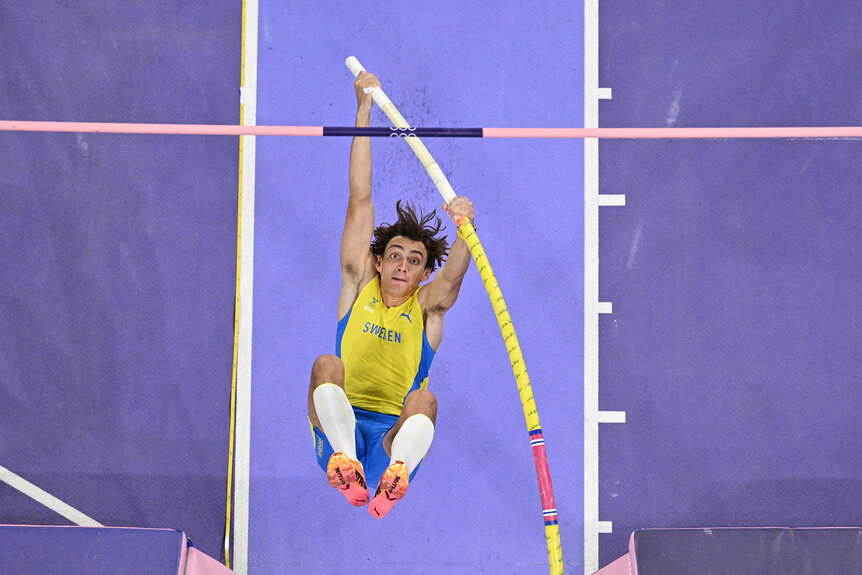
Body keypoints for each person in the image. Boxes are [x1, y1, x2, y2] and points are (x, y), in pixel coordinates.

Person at [307, 69, 475, 518]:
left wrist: (465, 230)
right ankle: (344, 462)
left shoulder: (427, 310)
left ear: (423, 274)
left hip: (392, 439)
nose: (402, 265)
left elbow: (453, 282)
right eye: (395, 255)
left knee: (425, 402)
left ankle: (390, 481)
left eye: (414, 261)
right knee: (326, 365)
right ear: (377, 262)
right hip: (340, 420)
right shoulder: (357, 285)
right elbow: (359, 198)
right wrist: (363, 109)